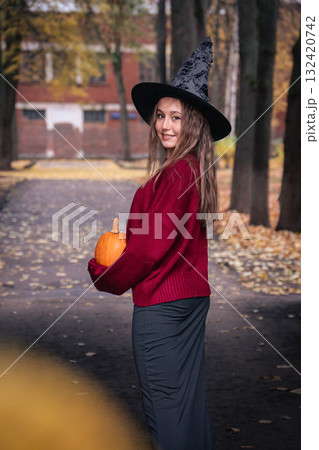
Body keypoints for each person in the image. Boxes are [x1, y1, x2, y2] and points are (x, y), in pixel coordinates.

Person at [88, 37, 231, 450]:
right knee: (186, 407)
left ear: (195, 124)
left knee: (165, 409)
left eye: (178, 117)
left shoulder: (174, 176)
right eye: (162, 116)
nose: (167, 125)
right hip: (188, 300)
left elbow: (148, 250)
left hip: (162, 309)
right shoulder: (193, 170)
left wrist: (104, 275)